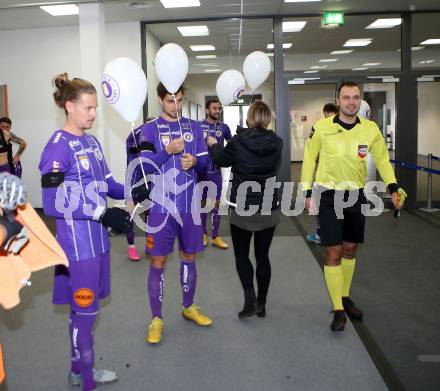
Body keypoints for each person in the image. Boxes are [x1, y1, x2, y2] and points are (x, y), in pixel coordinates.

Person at [39, 73, 131, 390]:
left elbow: (108, 184)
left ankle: (78, 370)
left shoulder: (90, 142)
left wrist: (135, 189)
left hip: (98, 242)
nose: (93, 114)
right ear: (69, 106)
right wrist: (101, 212)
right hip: (77, 249)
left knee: (82, 312)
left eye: (95, 108)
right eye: (88, 108)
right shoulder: (56, 148)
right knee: (86, 313)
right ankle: (88, 381)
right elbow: (51, 202)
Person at [301, 81, 405, 332]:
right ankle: (338, 309)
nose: (351, 102)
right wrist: (306, 192)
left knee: (350, 250)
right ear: (338, 100)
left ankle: (345, 297)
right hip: (328, 196)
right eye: (346, 97)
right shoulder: (322, 128)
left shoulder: (369, 129)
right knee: (333, 252)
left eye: (355, 97)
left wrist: (393, 187)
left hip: (356, 196)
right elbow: (309, 158)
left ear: (360, 100)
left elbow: (382, 160)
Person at [132, 82, 212, 345]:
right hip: (161, 207)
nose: (175, 106)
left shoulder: (194, 127)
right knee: (158, 262)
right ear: (159, 99)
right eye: (169, 100)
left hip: (190, 206)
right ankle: (156, 318)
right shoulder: (148, 129)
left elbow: (206, 165)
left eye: (178, 100)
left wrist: (195, 162)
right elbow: (143, 168)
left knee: (189, 256)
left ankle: (188, 307)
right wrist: (167, 152)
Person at [207, 101, 283, 319]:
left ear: (249, 118)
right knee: (263, 256)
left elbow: (221, 159)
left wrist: (213, 144)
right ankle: (262, 303)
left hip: (242, 207)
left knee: (241, 255)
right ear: (268, 119)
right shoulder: (278, 143)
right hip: (268, 207)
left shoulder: (239, 141)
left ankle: (249, 296)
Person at [199, 99, 232, 249]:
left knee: (216, 205)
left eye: (219, 108)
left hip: (215, 173)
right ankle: (203, 234)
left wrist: (217, 146)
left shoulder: (224, 127)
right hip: (200, 172)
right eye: (214, 108)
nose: (217, 111)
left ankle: (216, 236)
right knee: (202, 205)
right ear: (207, 110)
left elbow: (231, 148)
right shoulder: (198, 127)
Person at [306, 103, 338, 245]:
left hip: (326, 177)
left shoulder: (319, 125)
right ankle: (331, 236)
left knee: (321, 209)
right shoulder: (343, 126)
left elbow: (311, 146)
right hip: (338, 177)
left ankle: (321, 235)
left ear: (325, 112)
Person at [125, 118, 155, 262]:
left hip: (150, 179)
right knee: (131, 214)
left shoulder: (154, 135)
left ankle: (150, 243)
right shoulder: (135, 135)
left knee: (151, 213)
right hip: (134, 179)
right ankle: (131, 246)